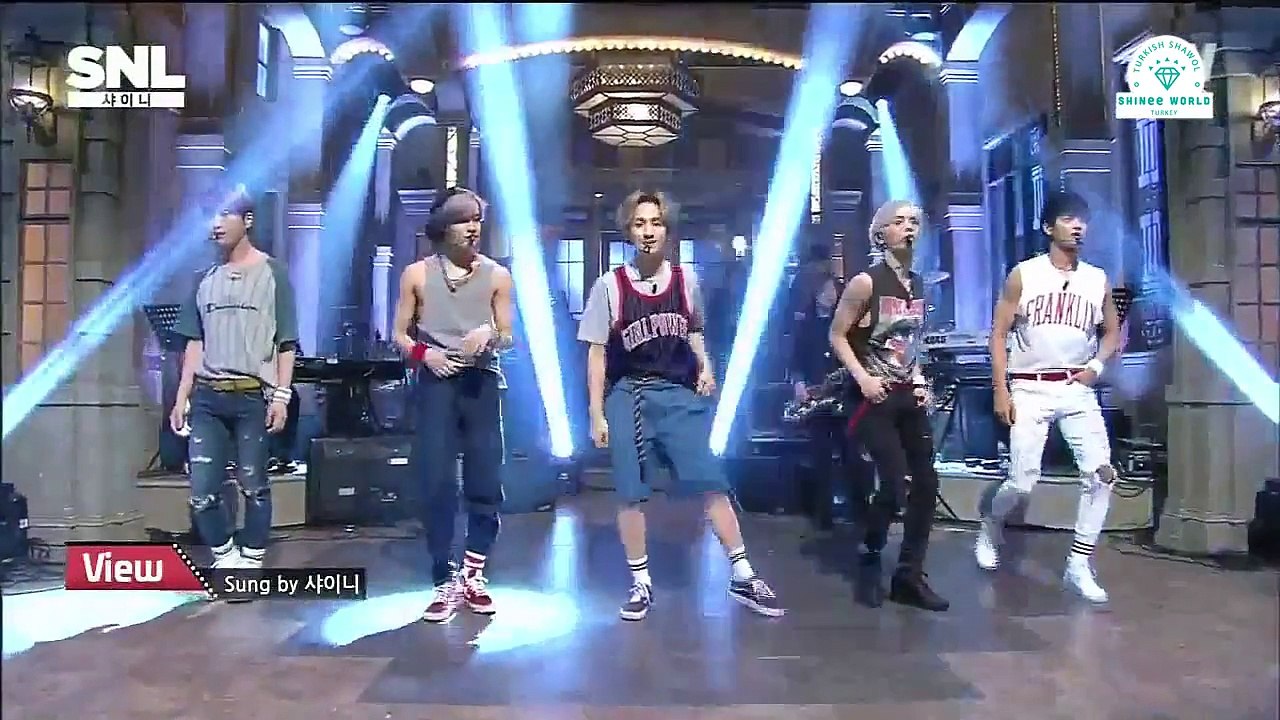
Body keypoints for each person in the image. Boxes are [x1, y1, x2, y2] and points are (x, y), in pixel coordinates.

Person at [578, 190, 783, 621]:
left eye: (655, 222)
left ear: (667, 229)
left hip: (676, 394)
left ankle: (743, 574)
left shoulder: (685, 280)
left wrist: (706, 366)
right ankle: (640, 581)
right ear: (628, 231)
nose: (648, 231)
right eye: (640, 223)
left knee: (710, 480)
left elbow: (694, 330)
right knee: (631, 491)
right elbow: (596, 353)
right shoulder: (609, 286)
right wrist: (595, 413)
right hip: (630, 394)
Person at [977, 190, 1121, 603]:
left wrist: (1096, 367)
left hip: (1075, 388)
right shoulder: (1024, 274)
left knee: (1102, 474)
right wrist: (1001, 389)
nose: (1077, 226)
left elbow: (1112, 331)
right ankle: (990, 525)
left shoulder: (1096, 279)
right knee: (1022, 481)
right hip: (1029, 385)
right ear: (1047, 227)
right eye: (1068, 219)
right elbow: (999, 334)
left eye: (1082, 219)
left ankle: (1079, 562)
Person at [391, 186, 515, 623]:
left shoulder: (497, 275)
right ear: (444, 227)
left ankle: (474, 574)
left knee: (485, 478)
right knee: (436, 481)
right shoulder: (417, 275)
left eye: (477, 219)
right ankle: (443, 578)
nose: (472, 228)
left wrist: (490, 334)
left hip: (481, 382)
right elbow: (400, 334)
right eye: (463, 220)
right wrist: (426, 355)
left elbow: (508, 334)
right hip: (436, 383)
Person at [828, 199, 948, 611]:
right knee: (895, 483)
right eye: (899, 222)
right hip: (872, 396)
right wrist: (863, 379)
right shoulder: (866, 283)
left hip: (906, 392)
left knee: (927, 483)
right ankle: (871, 547)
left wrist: (920, 381)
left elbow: (911, 343)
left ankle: (909, 576)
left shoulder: (918, 285)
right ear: (881, 233)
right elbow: (837, 334)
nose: (908, 228)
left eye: (914, 222)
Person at [171, 188, 299, 571]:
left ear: (247, 220)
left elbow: (286, 342)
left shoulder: (274, 273)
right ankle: (225, 556)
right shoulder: (203, 279)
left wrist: (281, 397)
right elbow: (194, 342)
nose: (215, 224)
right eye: (210, 215)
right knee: (201, 493)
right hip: (208, 398)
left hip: (253, 397)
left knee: (254, 486)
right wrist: (181, 397)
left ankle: (252, 558)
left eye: (224, 214)